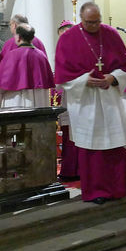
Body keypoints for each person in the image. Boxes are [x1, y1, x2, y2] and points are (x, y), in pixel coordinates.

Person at [54, 2, 126, 205]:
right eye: (90, 22)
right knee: (92, 149)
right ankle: (96, 191)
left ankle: (116, 188)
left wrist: (112, 79)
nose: (94, 26)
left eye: (97, 21)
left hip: (109, 98)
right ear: (82, 19)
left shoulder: (111, 34)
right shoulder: (68, 39)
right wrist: (83, 80)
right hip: (85, 101)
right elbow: (62, 76)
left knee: (113, 144)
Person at [0, 24, 55, 108]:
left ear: (18, 37)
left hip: (16, 101)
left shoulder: (12, 55)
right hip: (39, 102)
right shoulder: (41, 56)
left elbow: (0, 84)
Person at [53, 19, 78, 181]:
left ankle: (73, 170)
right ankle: (71, 169)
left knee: (75, 136)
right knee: (70, 135)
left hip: (78, 96)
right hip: (71, 96)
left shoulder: (76, 49)